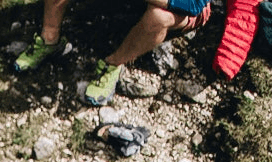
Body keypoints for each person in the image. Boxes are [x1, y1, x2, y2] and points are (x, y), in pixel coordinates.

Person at [13, 0, 212, 105]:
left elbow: (192, 5)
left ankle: (114, 63)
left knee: (159, 18)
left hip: (183, 6)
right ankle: (50, 37)